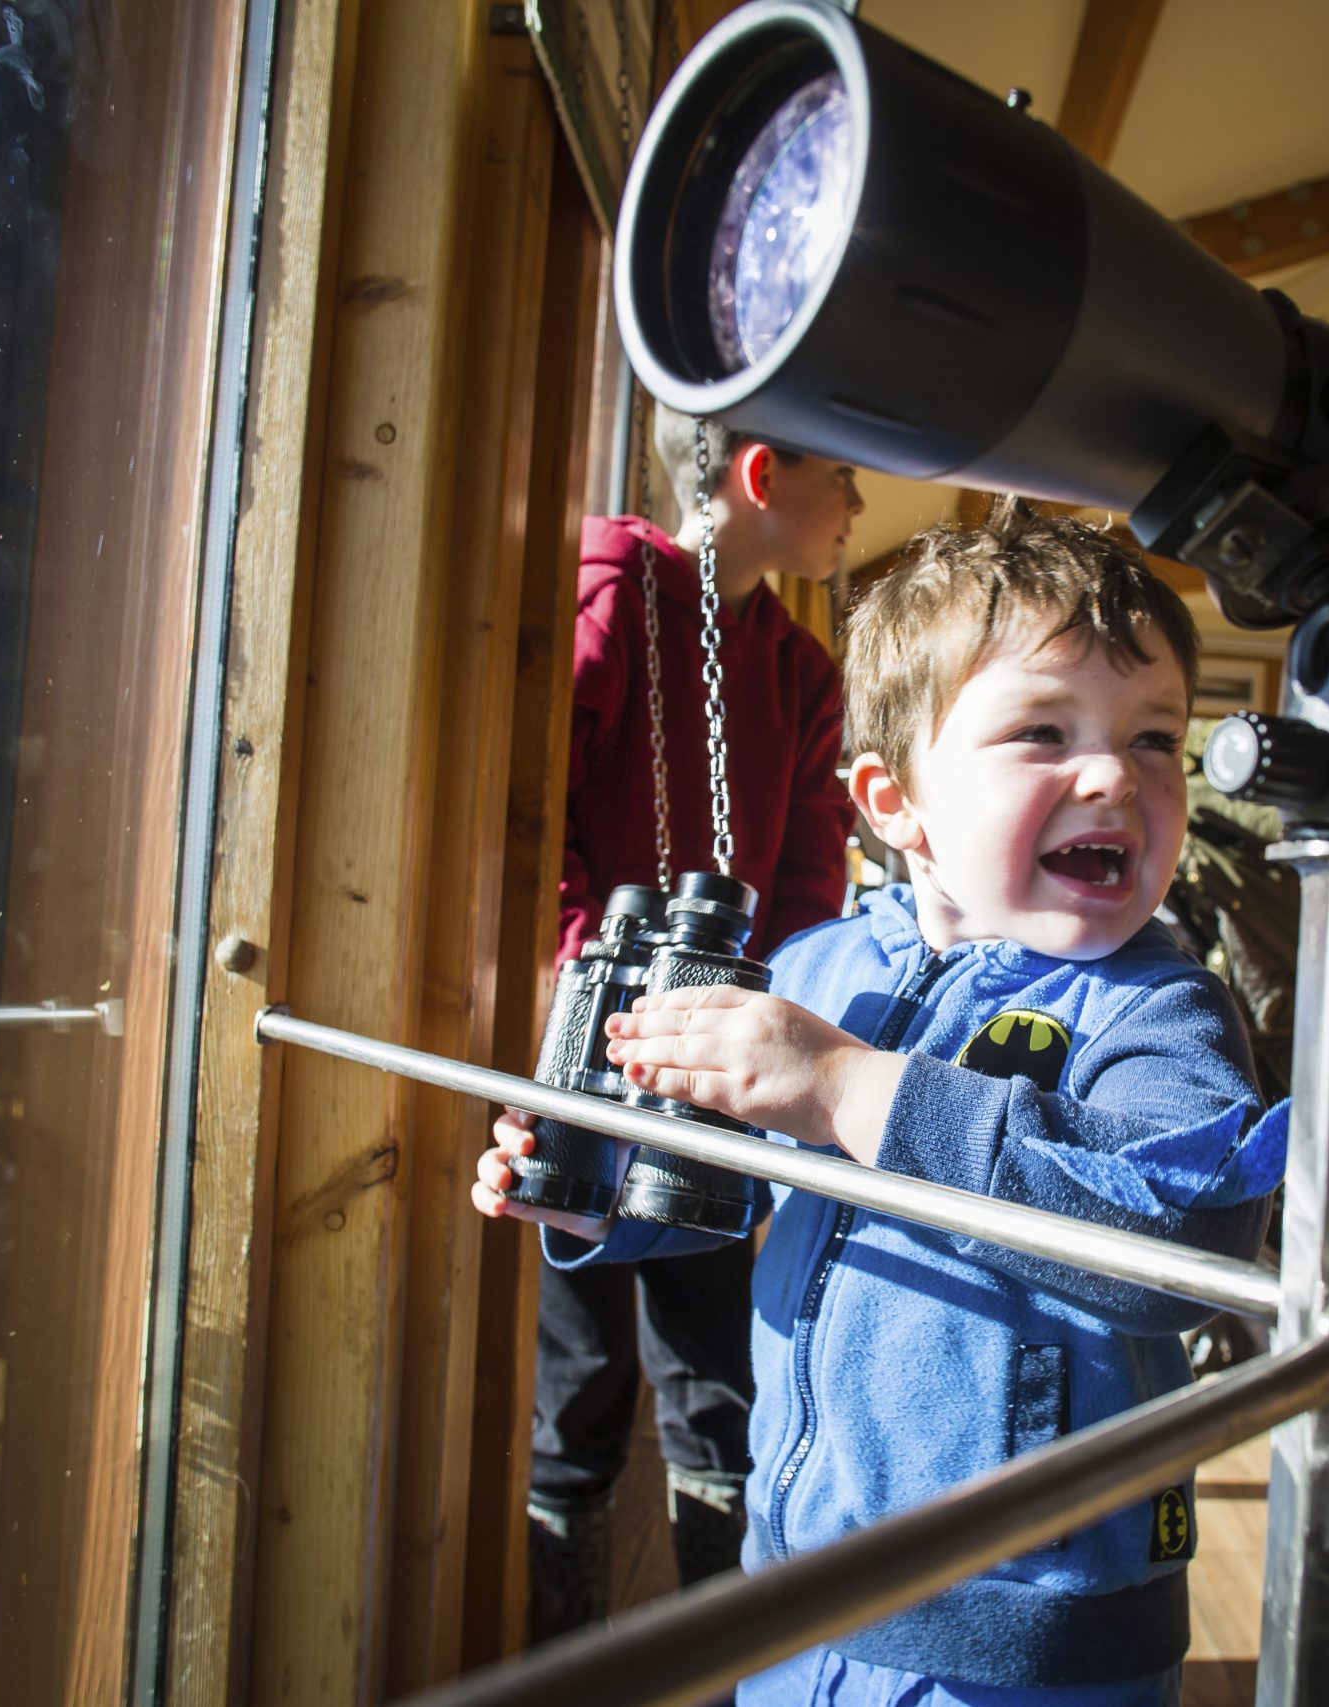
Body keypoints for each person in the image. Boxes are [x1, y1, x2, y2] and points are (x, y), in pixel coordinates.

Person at [478, 501, 1281, 1705]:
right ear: (894, 802)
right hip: (793, 1600)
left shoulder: (1157, 1011)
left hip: (1023, 1654)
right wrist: (595, 1201)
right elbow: (710, 1180)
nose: (1114, 773)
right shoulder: (820, 969)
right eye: (1041, 731)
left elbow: (1185, 1253)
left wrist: (857, 1091)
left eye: (1155, 738)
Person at [529, 405, 862, 1635]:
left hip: (717, 1066)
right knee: (577, 1378)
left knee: (715, 1366)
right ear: (762, 474)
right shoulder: (612, 588)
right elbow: (537, 817)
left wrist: (743, 1018)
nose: (857, 507)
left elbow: (811, 886)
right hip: (582, 1042)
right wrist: (596, 980)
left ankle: (715, 1655)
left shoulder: (800, 671)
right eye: (844, 476)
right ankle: (560, 1644)